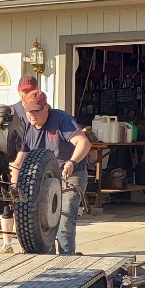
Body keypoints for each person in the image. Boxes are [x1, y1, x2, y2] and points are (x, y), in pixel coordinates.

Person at [10, 90, 91, 255]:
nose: (32, 115)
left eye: (36, 111)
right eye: (29, 111)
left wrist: (72, 162)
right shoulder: (27, 127)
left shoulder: (62, 120)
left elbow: (84, 143)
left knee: (64, 218)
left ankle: (66, 258)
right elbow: (19, 161)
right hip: (45, 176)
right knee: (43, 219)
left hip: (71, 173)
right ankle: (49, 258)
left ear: (46, 107)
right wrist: (13, 187)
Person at [0, 74, 38, 253]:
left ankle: (27, 244)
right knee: (8, 203)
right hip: (12, 161)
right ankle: (7, 243)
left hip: (34, 163)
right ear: (18, 91)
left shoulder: (42, 108)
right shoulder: (9, 111)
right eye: (24, 91)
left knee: (29, 207)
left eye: (30, 90)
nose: (26, 94)